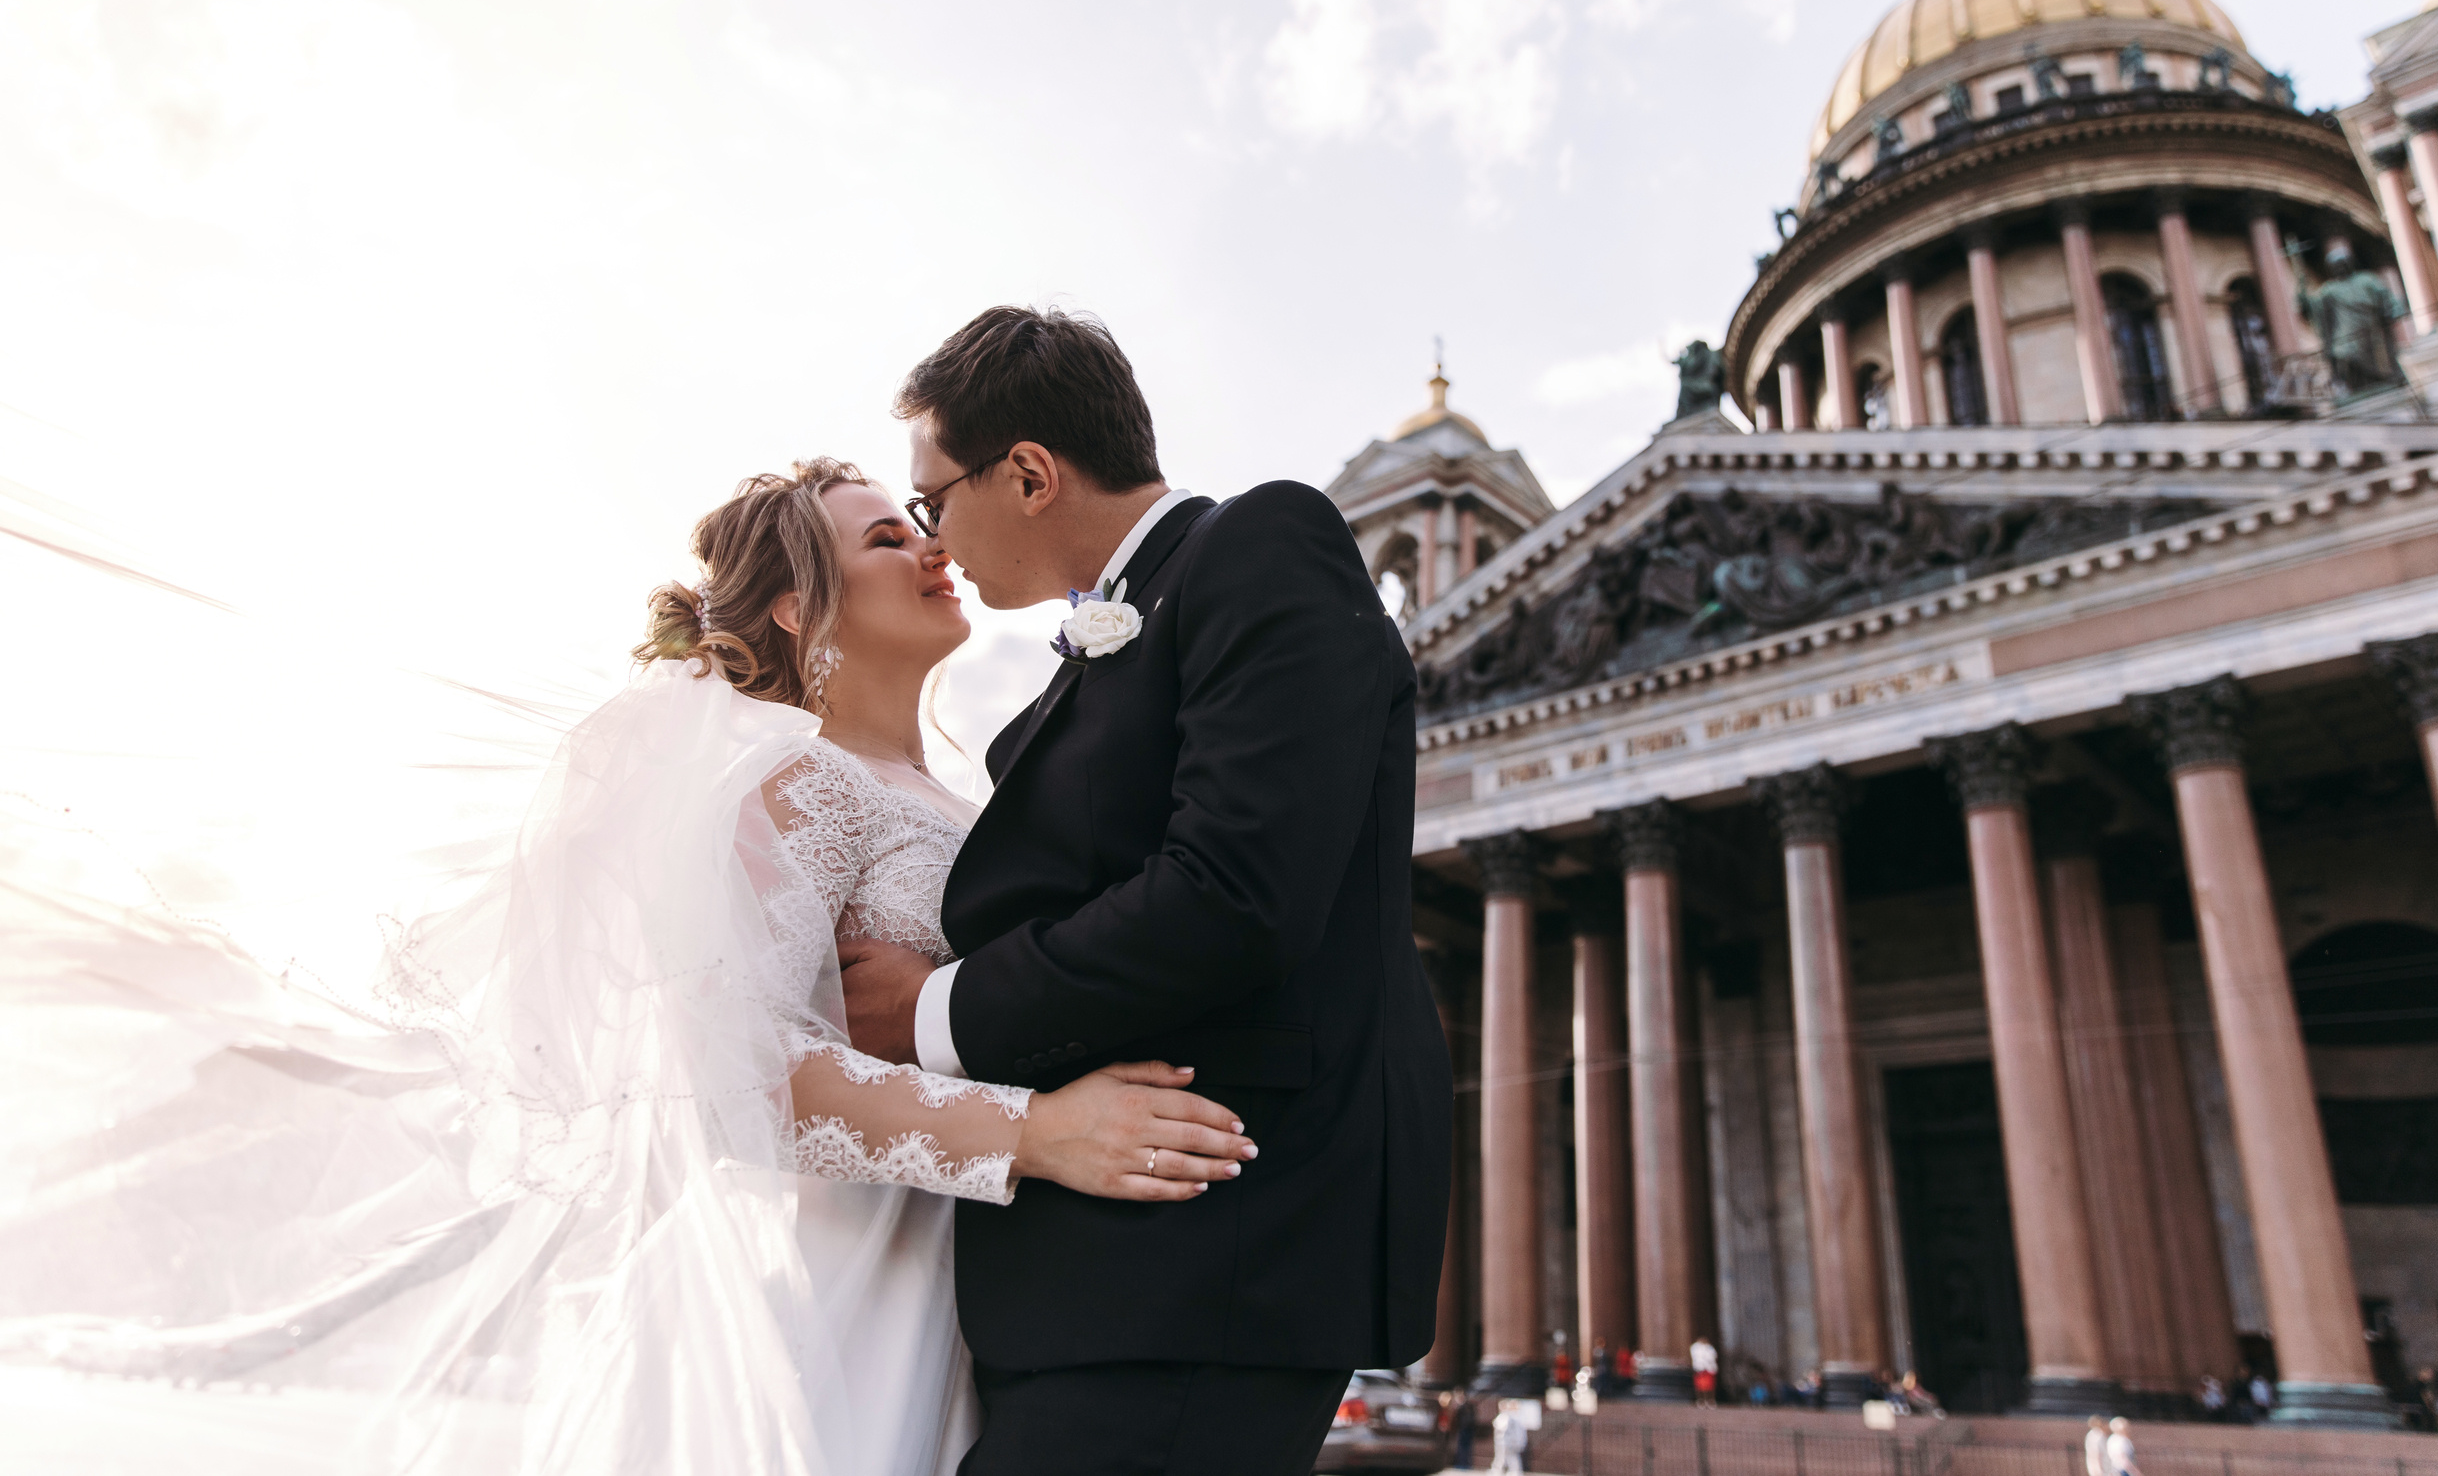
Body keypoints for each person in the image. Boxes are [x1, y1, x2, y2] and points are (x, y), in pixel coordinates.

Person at [0, 456, 1259, 1473]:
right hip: (844, 1294)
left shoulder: (971, 797)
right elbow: (747, 1082)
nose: (932, 546)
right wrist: (1033, 1134)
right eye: (885, 537)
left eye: (920, 522)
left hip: (986, 1284)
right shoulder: (790, 781)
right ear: (791, 605)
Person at [834, 308, 1453, 1476]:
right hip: (1094, 1277)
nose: (934, 537)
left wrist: (930, 1013)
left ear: (1027, 474)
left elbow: (1233, 890)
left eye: (934, 499)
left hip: (1208, 1251)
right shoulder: (1104, 642)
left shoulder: (1263, 543)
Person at [1490, 1402, 1528, 1476]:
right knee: (1505, 1457)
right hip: (1508, 1442)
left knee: (1507, 1457)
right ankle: (1503, 1470)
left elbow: (1502, 1428)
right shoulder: (1512, 1417)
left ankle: (1507, 1471)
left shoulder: (1510, 1417)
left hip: (1507, 1442)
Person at [1691, 1337, 1718, 1406]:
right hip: (1700, 1369)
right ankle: (1701, 1400)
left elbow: (1713, 1356)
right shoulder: (1695, 1348)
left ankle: (1710, 1400)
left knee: (1710, 1386)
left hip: (1708, 1369)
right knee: (1699, 1386)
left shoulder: (1709, 1348)